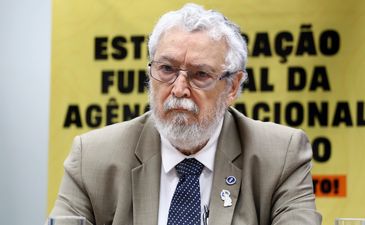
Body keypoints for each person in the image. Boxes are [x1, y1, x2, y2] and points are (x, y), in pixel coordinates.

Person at [48, 3, 322, 225]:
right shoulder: (92, 157)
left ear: (233, 86)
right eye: (166, 69)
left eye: (200, 74)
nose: (179, 89)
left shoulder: (281, 156)